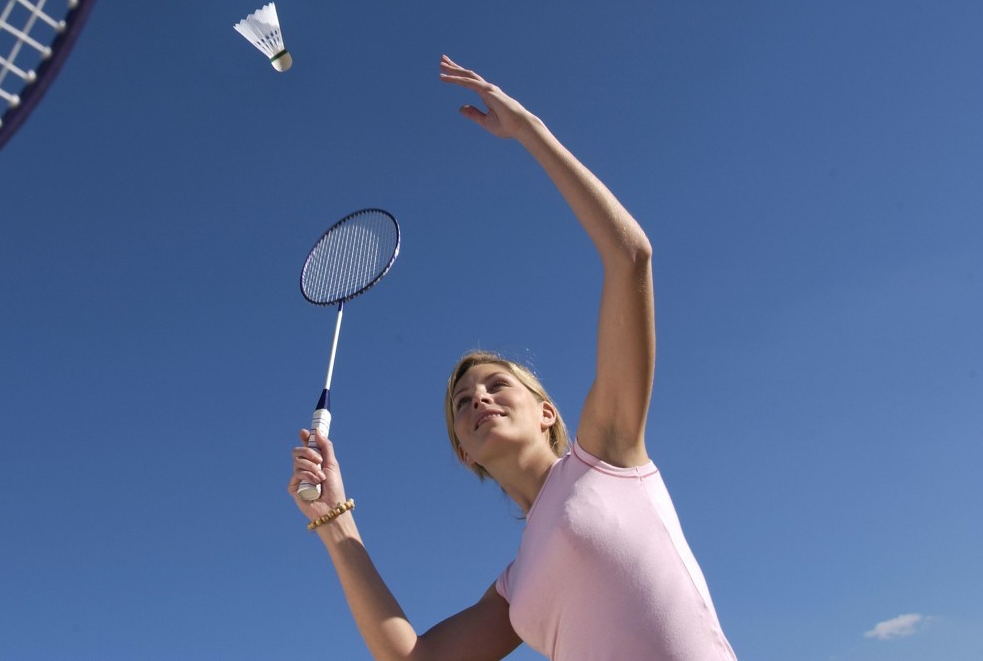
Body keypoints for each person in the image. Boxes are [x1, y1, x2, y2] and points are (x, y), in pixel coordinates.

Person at [287, 56, 737, 661]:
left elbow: (630, 257)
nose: (478, 397)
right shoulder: (516, 589)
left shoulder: (605, 455)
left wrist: (530, 130)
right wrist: (335, 523)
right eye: (461, 401)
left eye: (497, 384)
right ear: (461, 450)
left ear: (548, 412)